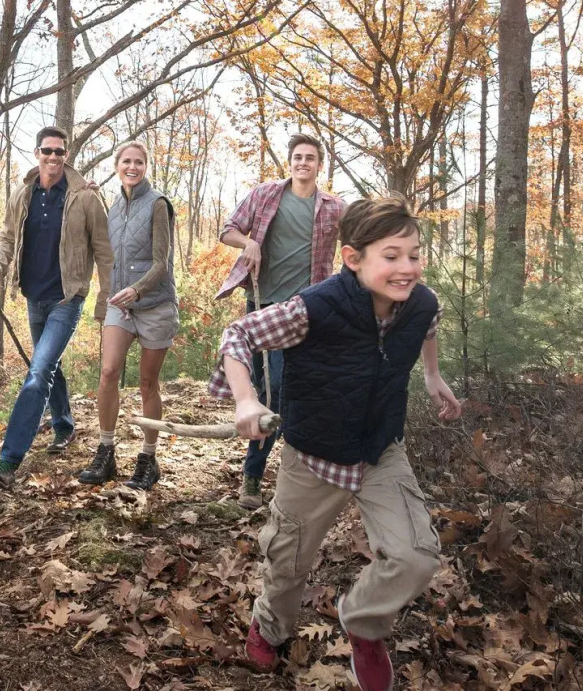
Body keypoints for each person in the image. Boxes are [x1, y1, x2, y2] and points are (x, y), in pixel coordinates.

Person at [211, 197, 462, 691]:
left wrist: (432, 375)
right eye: (391, 256)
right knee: (287, 561)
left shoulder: (422, 302)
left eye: (414, 254)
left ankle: (363, 623)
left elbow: (427, 327)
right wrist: (244, 400)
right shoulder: (315, 307)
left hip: (378, 449)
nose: (406, 268)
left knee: (416, 555)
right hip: (314, 454)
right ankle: (272, 625)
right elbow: (237, 335)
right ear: (353, 258)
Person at [216, 133, 346, 509]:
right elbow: (228, 229)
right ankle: (266, 464)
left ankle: (254, 479)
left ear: (320, 165)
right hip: (259, 304)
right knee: (257, 387)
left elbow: (362, 237)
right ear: (290, 162)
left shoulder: (334, 207)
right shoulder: (265, 195)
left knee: (279, 391)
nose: (303, 163)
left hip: (300, 312)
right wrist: (249, 243)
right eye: (297, 157)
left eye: (310, 158)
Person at [0, 126, 113, 491]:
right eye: (47, 151)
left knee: (38, 371)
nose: (53, 158)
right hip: (32, 295)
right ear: (36, 153)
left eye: (59, 152)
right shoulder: (23, 194)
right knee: (47, 362)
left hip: (67, 298)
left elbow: (104, 250)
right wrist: (0, 266)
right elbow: (7, 236)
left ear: (66, 155)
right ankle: (64, 426)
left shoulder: (85, 198)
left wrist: (105, 298)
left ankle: (9, 460)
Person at [77, 141, 178, 490]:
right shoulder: (115, 206)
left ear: (146, 166)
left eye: (138, 162)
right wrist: (90, 192)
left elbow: (162, 263)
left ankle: (149, 459)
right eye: (126, 161)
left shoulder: (159, 204)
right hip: (119, 307)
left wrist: (138, 289)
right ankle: (106, 451)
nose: (132, 167)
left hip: (154, 305)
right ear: (117, 165)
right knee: (108, 373)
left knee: (147, 383)